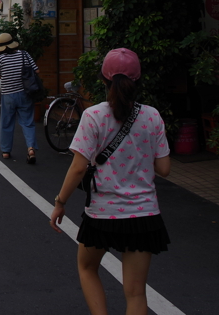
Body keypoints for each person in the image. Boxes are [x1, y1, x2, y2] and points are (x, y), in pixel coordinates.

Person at [49, 48, 172, 315]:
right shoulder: (152, 116)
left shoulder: (93, 116)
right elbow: (164, 168)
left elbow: (79, 169)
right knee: (136, 293)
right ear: (138, 81)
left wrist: (60, 203)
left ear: (104, 80)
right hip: (144, 215)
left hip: (103, 215)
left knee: (87, 268)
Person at [0, 33, 39, 164]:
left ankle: (6, 151)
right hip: (25, 93)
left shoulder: (0, 59)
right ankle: (31, 148)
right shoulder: (24, 54)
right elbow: (36, 71)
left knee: (6, 123)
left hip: (8, 95)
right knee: (28, 122)